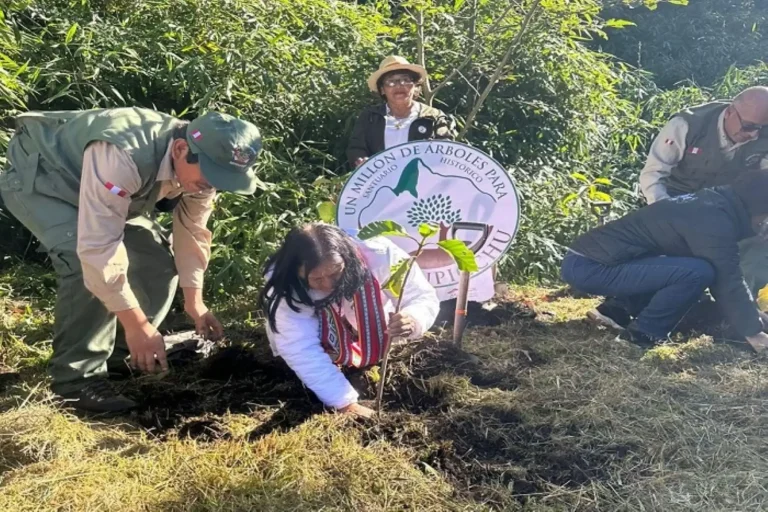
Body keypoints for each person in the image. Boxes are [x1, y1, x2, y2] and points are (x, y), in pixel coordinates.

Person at [0, 107, 263, 413]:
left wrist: (195, 302)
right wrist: (136, 322)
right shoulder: (122, 153)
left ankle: (121, 355)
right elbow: (99, 251)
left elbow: (191, 232)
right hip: (49, 180)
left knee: (157, 262)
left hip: (107, 193)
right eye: (211, 178)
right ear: (180, 149)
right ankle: (77, 382)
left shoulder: (202, 169)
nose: (213, 187)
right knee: (83, 265)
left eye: (222, 180)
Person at [589, 86, 768, 329]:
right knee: (670, 244)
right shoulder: (687, 124)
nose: (753, 135)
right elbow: (653, 175)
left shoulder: (762, 136)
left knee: (759, 242)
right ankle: (621, 305)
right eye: (748, 127)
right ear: (729, 112)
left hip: (727, 210)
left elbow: (762, 186)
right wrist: (670, 216)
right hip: (673, 202)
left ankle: (736, 316)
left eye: (760, 128)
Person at [561, 170, 768, 352]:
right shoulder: (715, 220)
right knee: (698, 272)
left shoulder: (716, 204)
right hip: (591, 266)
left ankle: (615, 312)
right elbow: (727, 279)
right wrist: (753, 332)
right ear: (757, 208)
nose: (763, 224)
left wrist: (750, 314)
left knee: (685, 267)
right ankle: (643, 335)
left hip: (589, 260)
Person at [259, 223, 439, 418]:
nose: (329, 284)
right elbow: (299, 346)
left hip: (372, 323)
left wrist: (413, 318)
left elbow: (421, 296)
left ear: (347, 257)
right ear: (298, 272)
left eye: (336, 272)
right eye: (317, 279)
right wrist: (344, 402)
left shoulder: (380, 255)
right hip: (319, 332)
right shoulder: (285, 285)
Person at [346, 55, 456, 169]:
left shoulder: (433, 117)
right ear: (382, 89)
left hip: (425, 182)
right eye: (391, 81)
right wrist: (361, 161)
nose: (399, 85)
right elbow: (356, 149)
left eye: (406, 80)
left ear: (415, 86)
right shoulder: (370, 117)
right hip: (380, 184)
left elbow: (447, 151)